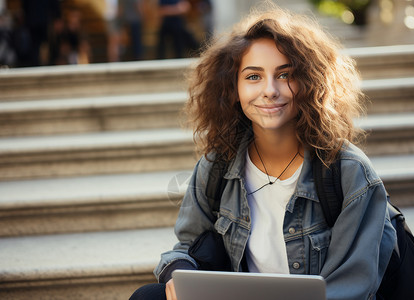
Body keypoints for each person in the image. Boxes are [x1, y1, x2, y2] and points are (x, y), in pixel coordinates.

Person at [130, 4, 396, 300]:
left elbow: (352, 285)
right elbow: (186, 245)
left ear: (310, 83)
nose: (269, 90)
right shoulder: (218, 164)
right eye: (253, 76)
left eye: (285, 75)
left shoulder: (348, 172)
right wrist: (176, 274)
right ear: (233, 89)